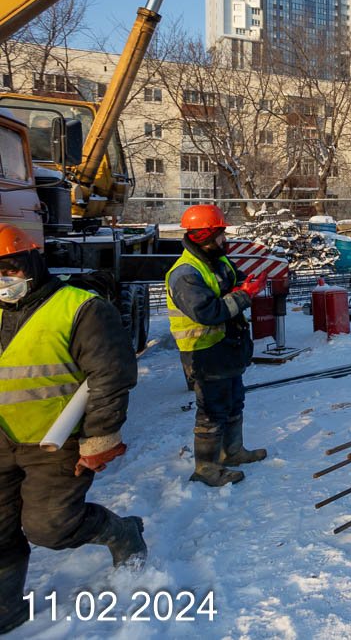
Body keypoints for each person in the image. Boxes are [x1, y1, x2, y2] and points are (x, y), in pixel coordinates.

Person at [0, 225, 145, 634]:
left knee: (51, 528)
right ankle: (6, 607)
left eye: (8, 268)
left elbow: (111, 375)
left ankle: (123, 533)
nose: (2, 279)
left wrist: (100, 438)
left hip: (54, 440)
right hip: (1, 438)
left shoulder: (79, 307)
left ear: (32, 261)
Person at [165, 205, 266, 487]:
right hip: (204, 352)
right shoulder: (185, 274)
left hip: (227, 348)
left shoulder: (218, 261)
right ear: (206, 236)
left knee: (234, 402)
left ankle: (233, 452)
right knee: (212, 411)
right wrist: (244, 296)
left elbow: (238, 279)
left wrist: (247, 284)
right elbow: (207, 312)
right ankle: (207, 468)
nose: (225, 240)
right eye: (221, 234)